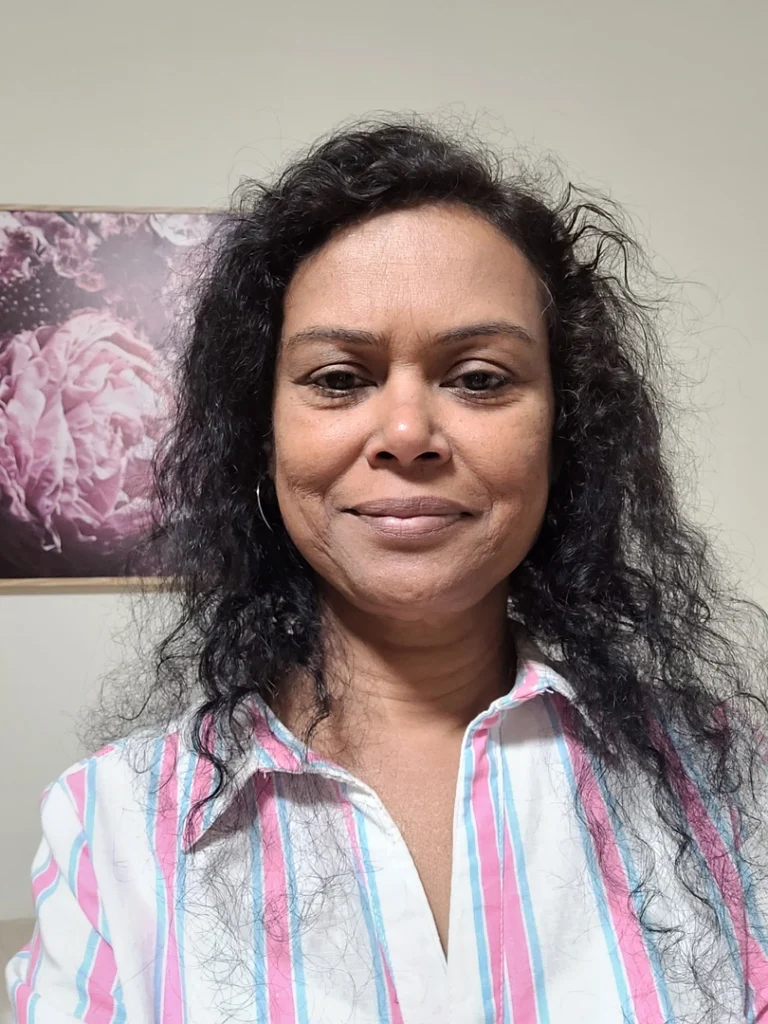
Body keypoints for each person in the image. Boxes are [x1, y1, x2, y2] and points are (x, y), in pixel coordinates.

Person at [6, 119, 768, 1024]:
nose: (406, 435)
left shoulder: (735, 779)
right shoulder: (111, 828)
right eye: (337, 379)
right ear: (262, 435)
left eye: (480, 378)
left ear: (565, 431)